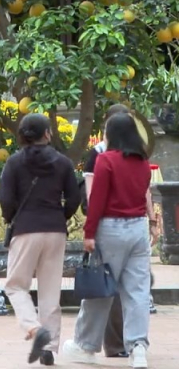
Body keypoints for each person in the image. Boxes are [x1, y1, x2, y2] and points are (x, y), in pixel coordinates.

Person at [63, 113, 153, 369]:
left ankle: (85, 345)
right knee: (138, 291)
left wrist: (89, 233)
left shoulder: (106, 160)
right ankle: (138, 348)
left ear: (111, 134)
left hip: (111, 228)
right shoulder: (143, 162)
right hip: (138, 228)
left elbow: (97, 200)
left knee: (100, 287)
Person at [0, 113, 81, 366]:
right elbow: (74, 198)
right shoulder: (63, 162)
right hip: (55, 230)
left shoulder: (14, 163)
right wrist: (60, 216)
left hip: (26, 229)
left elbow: (6, 200)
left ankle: (34, 328)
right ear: (47, 134)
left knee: (15, 285)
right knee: (50, 292)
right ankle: (48, 347)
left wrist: (12, 218)